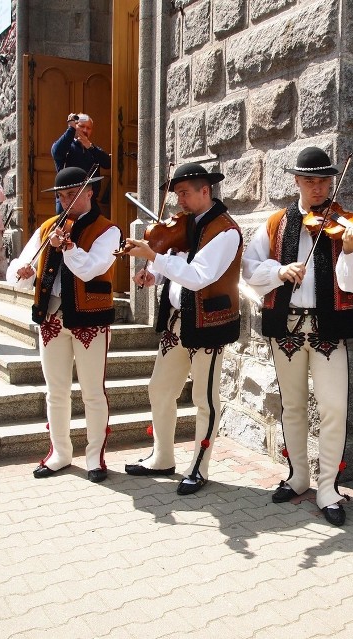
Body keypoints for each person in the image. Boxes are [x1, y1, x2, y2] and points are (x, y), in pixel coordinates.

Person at [242, 147, 353, 527]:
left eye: (324, 181)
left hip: (328, 329)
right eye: (311, 180)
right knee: (293, 406)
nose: (319, 188)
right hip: (286, 327)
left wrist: (349, 251)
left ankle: (329, 486)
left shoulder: (346, 224)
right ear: (297, 181)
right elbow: (250, 270)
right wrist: (278, 271)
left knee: (333, 407)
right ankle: (298, 475)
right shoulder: (276, 223)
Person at [122, 163, 242, 496]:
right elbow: (174, 265)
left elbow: (198, 275)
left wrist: (154, 257)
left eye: (185, 194)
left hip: (210, 325)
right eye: (176, 195)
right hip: (178, 320)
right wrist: (154, 274)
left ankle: (199, 467)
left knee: (204, 398)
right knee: (159, 388)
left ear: (206, 191)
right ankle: (162, 457)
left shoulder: (225, 231)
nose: (179, 202)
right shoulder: (187, 225)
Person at [6, 166, 120, 483]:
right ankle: (60, 453)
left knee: (92, 393)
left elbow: (91, 268)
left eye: (74, 193)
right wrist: (22, 273)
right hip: (52, 318)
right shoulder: (47, 228)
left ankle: (95, 456)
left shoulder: (109, 230)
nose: (68, 199)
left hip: (90, 321)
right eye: (63, 195)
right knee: (55, 391)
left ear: (90, 192)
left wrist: (68, 247)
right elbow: (18, 266)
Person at [51, 112, 111, 206]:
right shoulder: (67, 145)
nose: (85, 130)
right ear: (75, 126)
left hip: (89, 200)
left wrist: (90, 147)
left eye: (88, 128)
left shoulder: (93, 149)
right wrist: (71, 129)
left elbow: (108, 163)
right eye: (82, 126)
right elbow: (57, 152)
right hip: (68, 201)